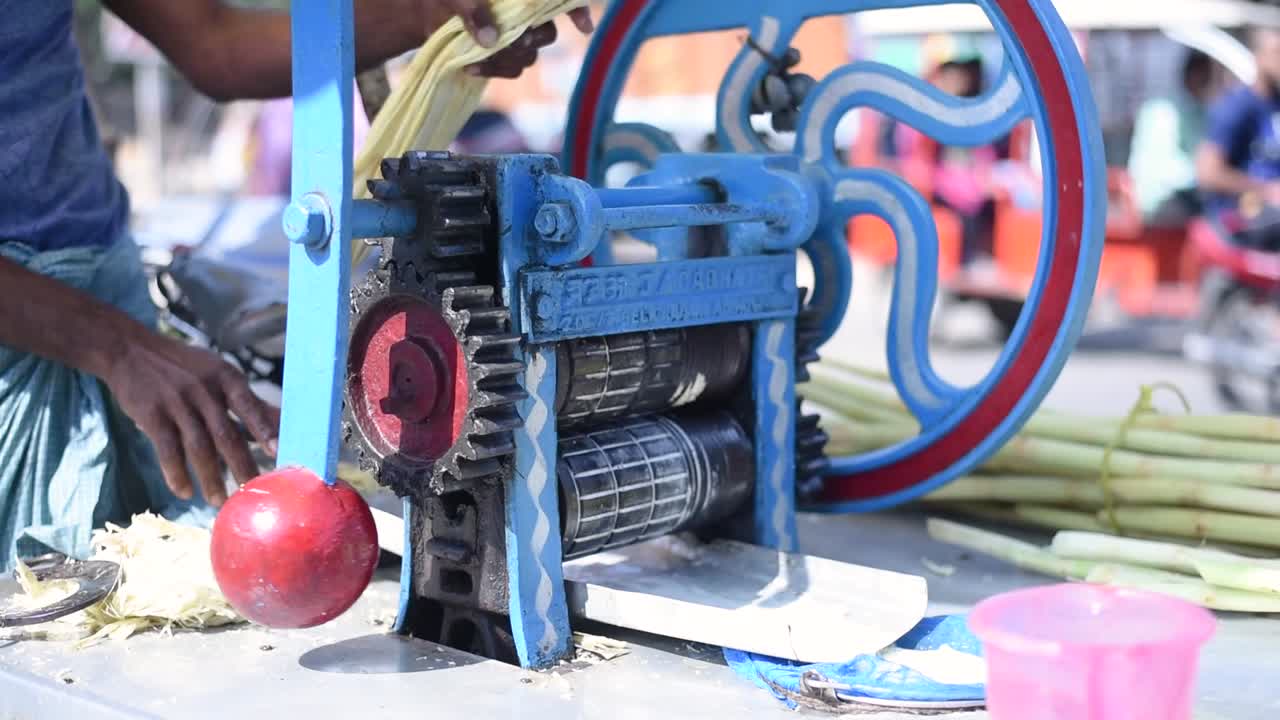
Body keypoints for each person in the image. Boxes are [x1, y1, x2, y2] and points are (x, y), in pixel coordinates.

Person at [0, 0, 593, 572]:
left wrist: (430, 15)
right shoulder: (114, 344)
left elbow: (213, 42)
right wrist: (118, 348)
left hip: (104, 290)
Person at [1196, 27, 1280, 250]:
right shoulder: (1237, 107)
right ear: (1259, 56)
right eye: (1277, 53)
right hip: (1242, 218)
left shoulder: (1276, 105)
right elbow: (1208, 173)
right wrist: (1267, 190)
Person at [1127, 49, 1215, 228]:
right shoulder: (1168, 110)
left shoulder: (1187, 108)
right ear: (1195, 75)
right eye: (1206, 78)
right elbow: (1168, 169)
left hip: (1167, 195)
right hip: (1158, 201)